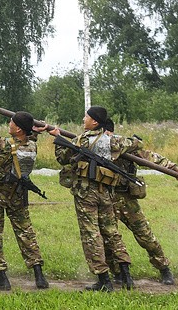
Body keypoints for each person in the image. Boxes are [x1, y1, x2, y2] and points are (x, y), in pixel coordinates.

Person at [47, 106, 141, 291]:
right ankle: (126, 276)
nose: (83, 120)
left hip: (86, 194)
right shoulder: (114, 141)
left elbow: (62, 158)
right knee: (112, 233)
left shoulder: (80, 140)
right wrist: (136, 141)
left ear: (95, 122)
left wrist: (57, 138)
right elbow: (134, 144)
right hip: (106, 192)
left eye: (86, 117)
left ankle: (104, 280)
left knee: (91, 235)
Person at [0, 104, 49, 291]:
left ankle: (1, 278)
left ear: (19, 129)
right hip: (18, 195)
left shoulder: (5, 145)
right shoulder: (32, 146)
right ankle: (39, 276)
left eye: (12, 122)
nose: (9, 123)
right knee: (26, 233)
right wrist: (34, 131)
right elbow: (26, 141)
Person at [102, 120, 178, 285]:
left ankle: (164, 268)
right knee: (108, 237)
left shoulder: (125, 145)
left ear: (110, 132)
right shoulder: (94, 144)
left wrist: (175, 170)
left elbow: (151, 157)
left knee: (145, 235)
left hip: (126, 199)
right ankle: (117, 273)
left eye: (106, 134)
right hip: (105, 197)